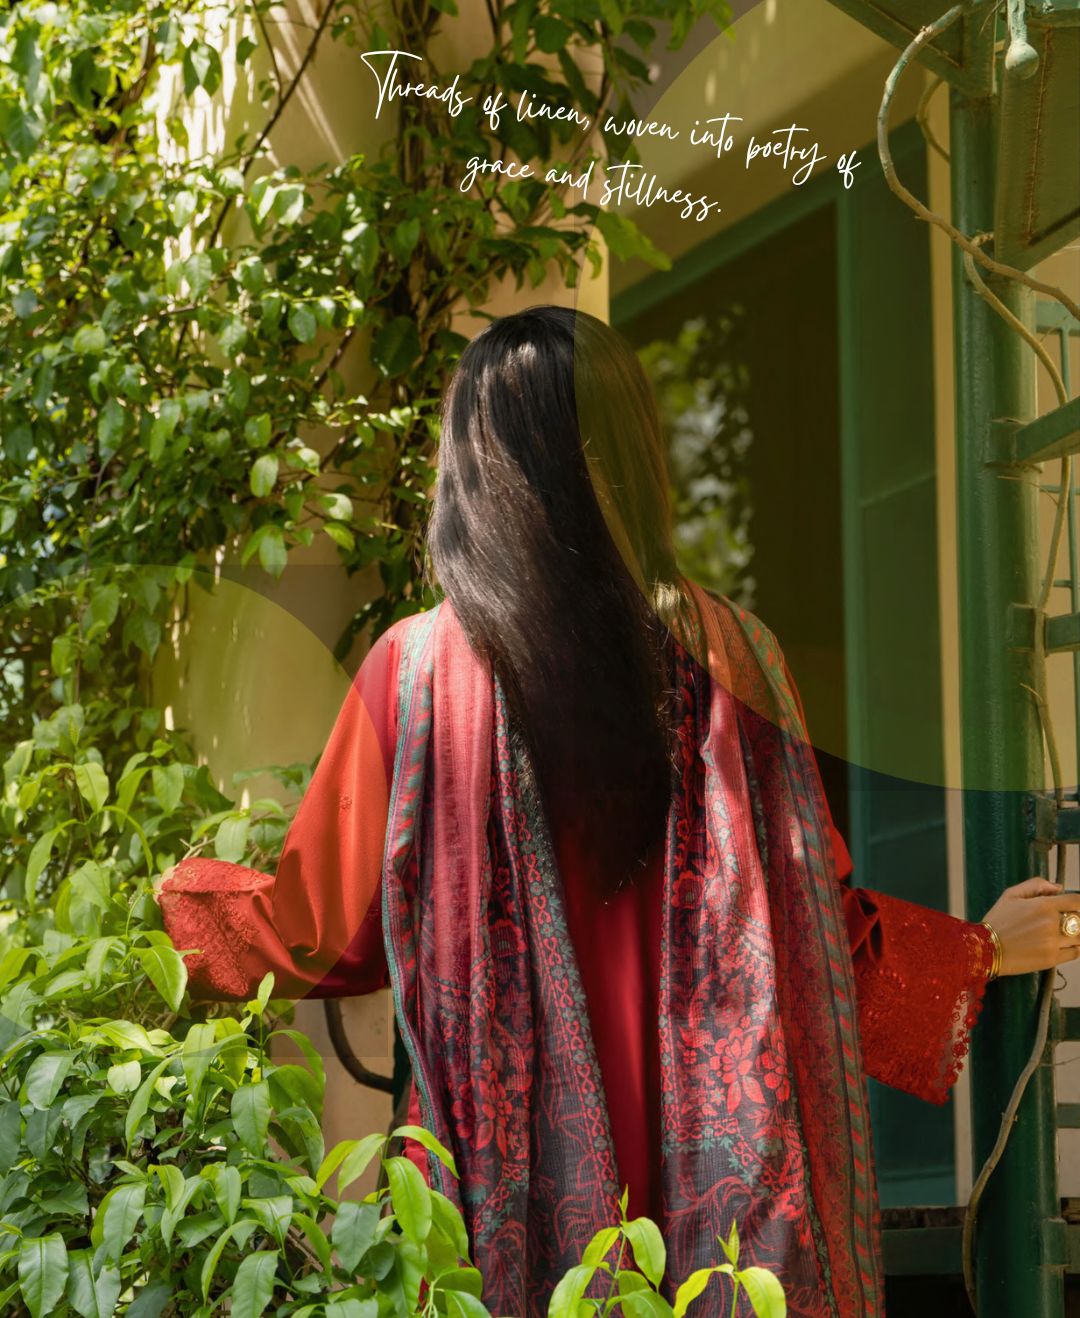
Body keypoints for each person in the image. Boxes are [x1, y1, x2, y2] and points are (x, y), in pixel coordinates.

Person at [156, 305, 1080, 1318]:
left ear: (472, 472)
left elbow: (313, 930)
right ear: (634, 452)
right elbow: (818, 947)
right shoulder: (733, 661)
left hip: (504, 1223)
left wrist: (162, 926)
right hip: (722, 1235)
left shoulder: (415, 678)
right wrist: (982, 951)